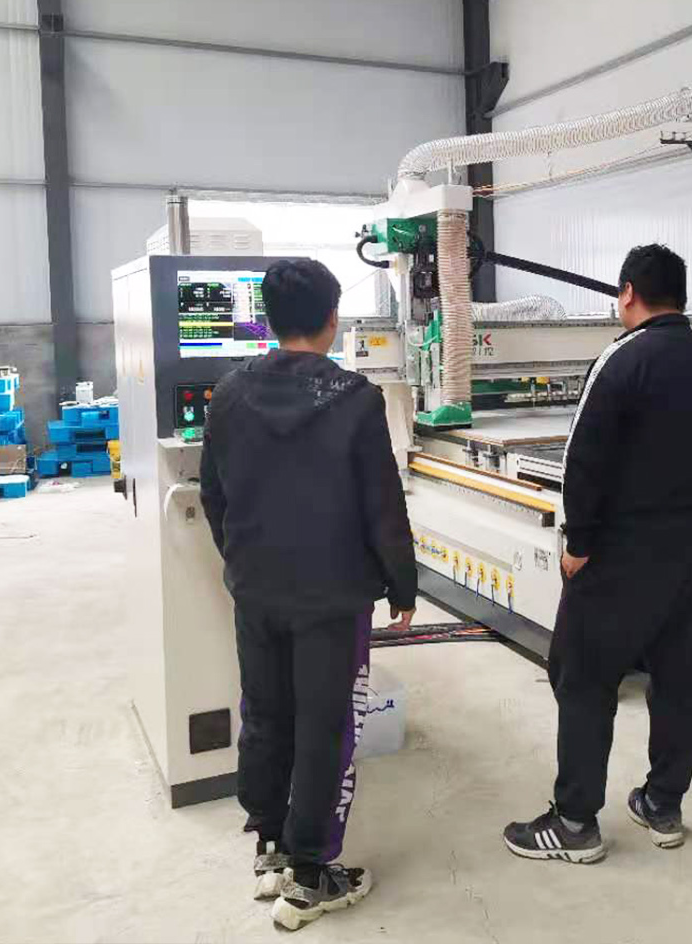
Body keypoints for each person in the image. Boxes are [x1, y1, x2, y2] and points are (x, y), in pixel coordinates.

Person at [503, 244, 692, 863]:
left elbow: (583, 458)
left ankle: (574, 822)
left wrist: (578, 543)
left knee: (583, 676)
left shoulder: (622, 359)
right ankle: (663, 803)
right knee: (678, 676)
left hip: (623, 556)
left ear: (629, 292)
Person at [200, 258, 416, 930]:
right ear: (332, 319)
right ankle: (311, 873)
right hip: (332, 595)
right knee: (327, 726)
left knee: (265, 713)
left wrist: (243, 562)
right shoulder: (354, 398)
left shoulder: (229, 394)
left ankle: (269, 845)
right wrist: (402, 581)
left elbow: (214, 495)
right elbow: (381, 504)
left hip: (258, 589)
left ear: (269, 319)